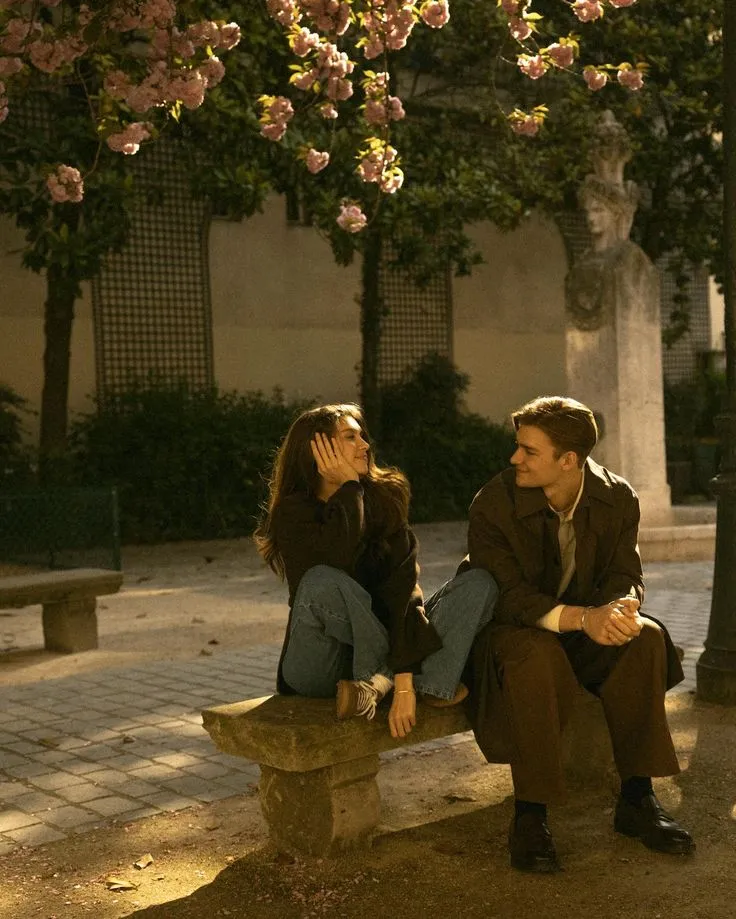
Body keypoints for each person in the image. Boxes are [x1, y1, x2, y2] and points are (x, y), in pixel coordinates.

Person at [460, 395, 693, 872]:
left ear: (569, 461)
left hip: (580, 628)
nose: (514, 459)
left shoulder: (618, 497)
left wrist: (621, 608)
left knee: (644, 638)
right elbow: (506, 596)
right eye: (517, 447)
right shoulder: (494, 503)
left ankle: (636, 798)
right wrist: (582, 618)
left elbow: (626, 572)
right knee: (536, 655)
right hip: (511, 634)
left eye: (528, 451)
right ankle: (530, 814)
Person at [255, 403, 497, 740]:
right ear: (317, 449)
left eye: (363, 436)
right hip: (319, 664)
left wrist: (404, 685)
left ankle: (387, 684)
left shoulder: (385, 500)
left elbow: (402, 591)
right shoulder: (293, 512)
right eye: (350, 437)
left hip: (379, 652)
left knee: (479, 583)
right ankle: (392, 678)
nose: (365, 445)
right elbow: (336, 563)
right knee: (322, 581)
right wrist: (350, 489)